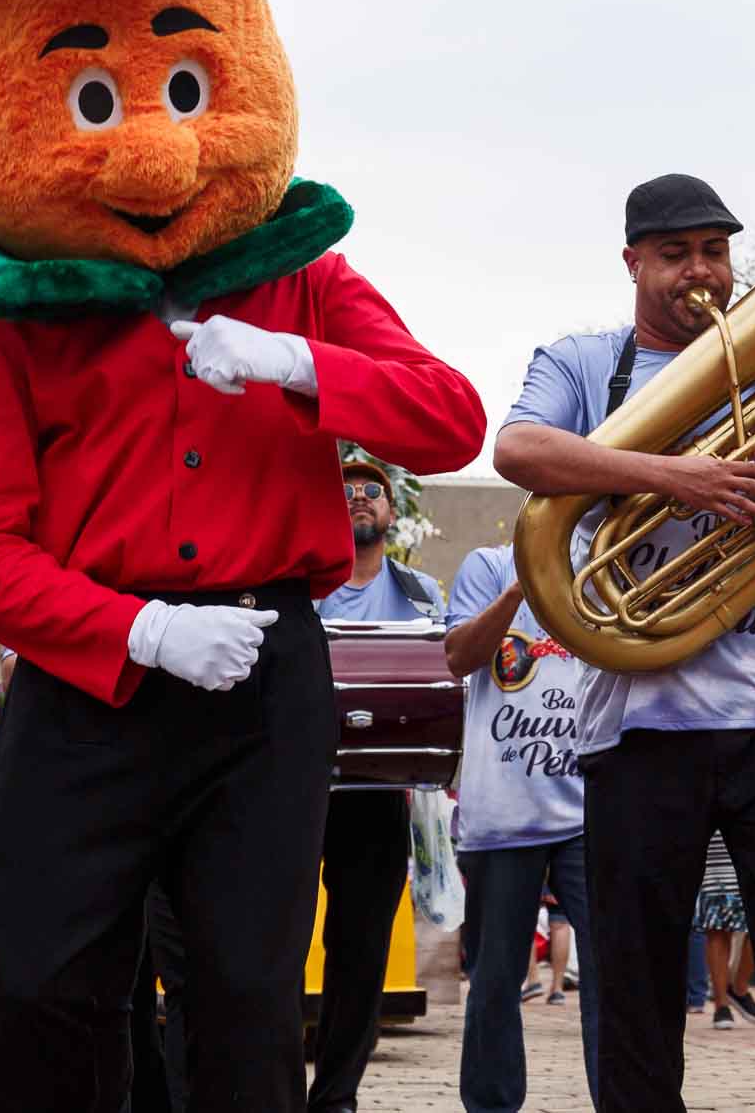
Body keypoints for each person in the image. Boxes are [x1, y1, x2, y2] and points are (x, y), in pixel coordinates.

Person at [0, 0, 488, 1112]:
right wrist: (141, 633)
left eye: (179, 92)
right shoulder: (0, 332)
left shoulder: (305, 282)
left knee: (244, 996)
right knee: (52, 987)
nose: (159, 152)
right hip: (90, 687)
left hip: (262, 684)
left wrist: (299, 370)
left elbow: (448, 418)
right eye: (98, 102)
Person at [493, 171, 755, 1113]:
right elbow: (517, 451)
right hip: (638, 727)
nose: (700, 271)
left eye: (714, 250)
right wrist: (672, 477)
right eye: (676, 253)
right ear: (634, 261)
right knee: (636, 975)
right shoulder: (584, 360)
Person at [441, 539, 600, 1113]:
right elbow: (458, 657)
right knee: (494, 982)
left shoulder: (610, 554)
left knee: (613, 976)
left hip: (591, 808)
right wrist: (519, 589)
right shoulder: (487, 564)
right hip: (504, 814)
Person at [309, 458, 444, 1113]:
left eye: (373, 492)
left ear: (392, 513)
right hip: (299, 791)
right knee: (270, 945)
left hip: (380, 792)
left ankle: (336, 1097)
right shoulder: (302, 588)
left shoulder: (422, 594)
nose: (360, 499)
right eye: (347, 491)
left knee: (359, 957)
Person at [696, 834, 755, 1030]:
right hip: (715, 851)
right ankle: (721, 1005)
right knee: (717, 929)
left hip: (754, 849)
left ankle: (739, 988)